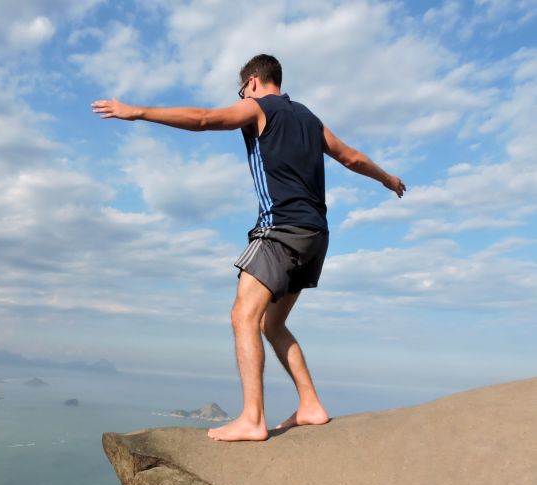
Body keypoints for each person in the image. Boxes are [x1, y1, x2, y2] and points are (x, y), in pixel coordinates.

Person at [92, 54, 405, 442]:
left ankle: (252, 418)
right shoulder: (309, 118)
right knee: (270, 323)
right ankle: (310, 404)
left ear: (253, 81)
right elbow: (352, 157)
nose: (242, 97)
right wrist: (388, 178)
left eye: (242, 91)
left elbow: (204, 119)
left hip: (280, 229)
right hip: (316, 235)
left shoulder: (259, 107)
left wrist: (136, 112)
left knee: (243, 316)